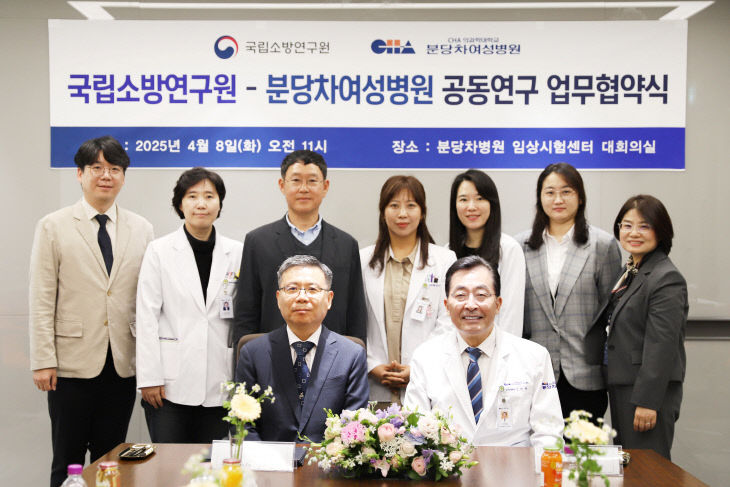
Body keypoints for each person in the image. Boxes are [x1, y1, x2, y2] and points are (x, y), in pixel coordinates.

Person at [29, 136, 154, 487]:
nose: (106, 175)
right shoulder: (53, 225)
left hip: (122, 363)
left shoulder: (142, 228)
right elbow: (41, 297)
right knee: (67, 459)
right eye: (97, 167)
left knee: (110, 460)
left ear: (124, 177)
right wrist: (42, 359)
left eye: (114, 168)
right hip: (69, 364)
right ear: (79, 174)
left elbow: (146, 298)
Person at [404, 256, 563, 447]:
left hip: (514, 465)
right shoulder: (425, 357)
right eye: (460, 295)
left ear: (498, 304)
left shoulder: (534, 357)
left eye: (481, 295)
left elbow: (548, 434)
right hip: (450, 465)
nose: (471, 305)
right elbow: (414, 432)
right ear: (446, 306)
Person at [135, 168, 243, 443]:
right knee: (169, 463)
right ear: (180, 204)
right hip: (168, 384)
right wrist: (149, 378)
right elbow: (146, 316)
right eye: (192, 196)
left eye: (209, 196)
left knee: (212, 462)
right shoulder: (159, 250)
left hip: (220, 381)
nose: (201, 204)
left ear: (219, 204)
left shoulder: (237, 252)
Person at [516, 162, 622, 422]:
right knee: (538, 447)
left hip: (585, 375)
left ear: (580, 197)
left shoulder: (602, 245)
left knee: (583, 447)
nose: (558, 199)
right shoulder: (520, 246)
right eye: (550, 192)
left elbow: (612, 312)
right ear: (540, 198)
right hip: (535, 374)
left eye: (566, 192)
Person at [586, 195, 687, 459]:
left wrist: (647, 402)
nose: (633, 233)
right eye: (627, 225)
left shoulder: (666, 277)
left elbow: (661, 345)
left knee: (648, 467)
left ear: (660, 231)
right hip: (624, 385)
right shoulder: (631, 269)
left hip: (645, 393)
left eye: (644, 226)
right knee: (632, 465)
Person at [232, 150, 367, 345]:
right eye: (296, 180)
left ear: (325, 187)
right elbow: (246, 314)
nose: (304, 189)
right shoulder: (258, 242)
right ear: (282, 185)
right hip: (271, 356)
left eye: (312, 181)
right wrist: (245, 359)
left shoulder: (346, 245)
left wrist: (356, 358)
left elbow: (356, 315)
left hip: (333, 357)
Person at [235, 255, 369, 442]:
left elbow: (354, 425)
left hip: (329, 458)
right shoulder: (253, 353)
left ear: (329, 299)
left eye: (312, 289)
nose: (302, 297)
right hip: (269, 458)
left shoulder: (352, 354)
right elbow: (242, 424)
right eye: (292, 289)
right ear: (278, 298)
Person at [361, 175, 456, 404]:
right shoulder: (362, 260)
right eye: (394, 205)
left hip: (428, 381)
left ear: (422, 212)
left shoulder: (444, 260)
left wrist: (418, 366)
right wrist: (372, 364)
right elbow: (355, 321)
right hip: (374, 383)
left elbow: (449, 321)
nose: (402, 214)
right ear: (383, 212)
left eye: (411, 205)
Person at [449, 169, 526, 337]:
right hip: (455, 348)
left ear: (492, 203)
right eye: (463, 199)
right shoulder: (448, 252)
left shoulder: (508, 249)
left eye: (480, 199)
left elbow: (511, 316)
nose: (471, 207)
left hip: (498, 348)